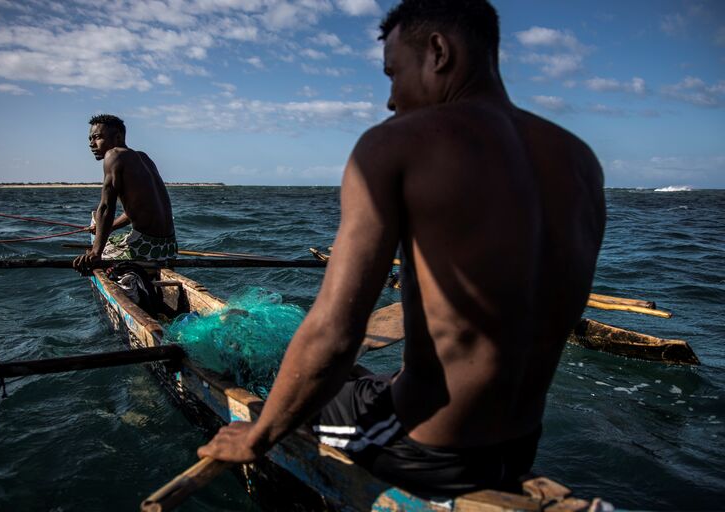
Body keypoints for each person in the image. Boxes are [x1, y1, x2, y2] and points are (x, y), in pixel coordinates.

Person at [198, 0, 606, 499]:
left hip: (426, 449)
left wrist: (259, 436)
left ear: (438, 52)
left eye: (393, 74)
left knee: (275, 388)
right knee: (365, 380)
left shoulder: (395, 145)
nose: (391, 100)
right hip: (519, 444)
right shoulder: (579, 159)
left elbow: (334, 331)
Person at [73, 114, 177, 272]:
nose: (92, 144)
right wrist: (109, 227)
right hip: (169, 248)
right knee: (111, 241)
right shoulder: (143, 157)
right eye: (90, 139)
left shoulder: (114, 155)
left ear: (118, 137)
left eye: (97, 137)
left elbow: (106, 207)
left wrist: (95, 252)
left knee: (90, 256)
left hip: (145, 248)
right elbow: (137, 209)